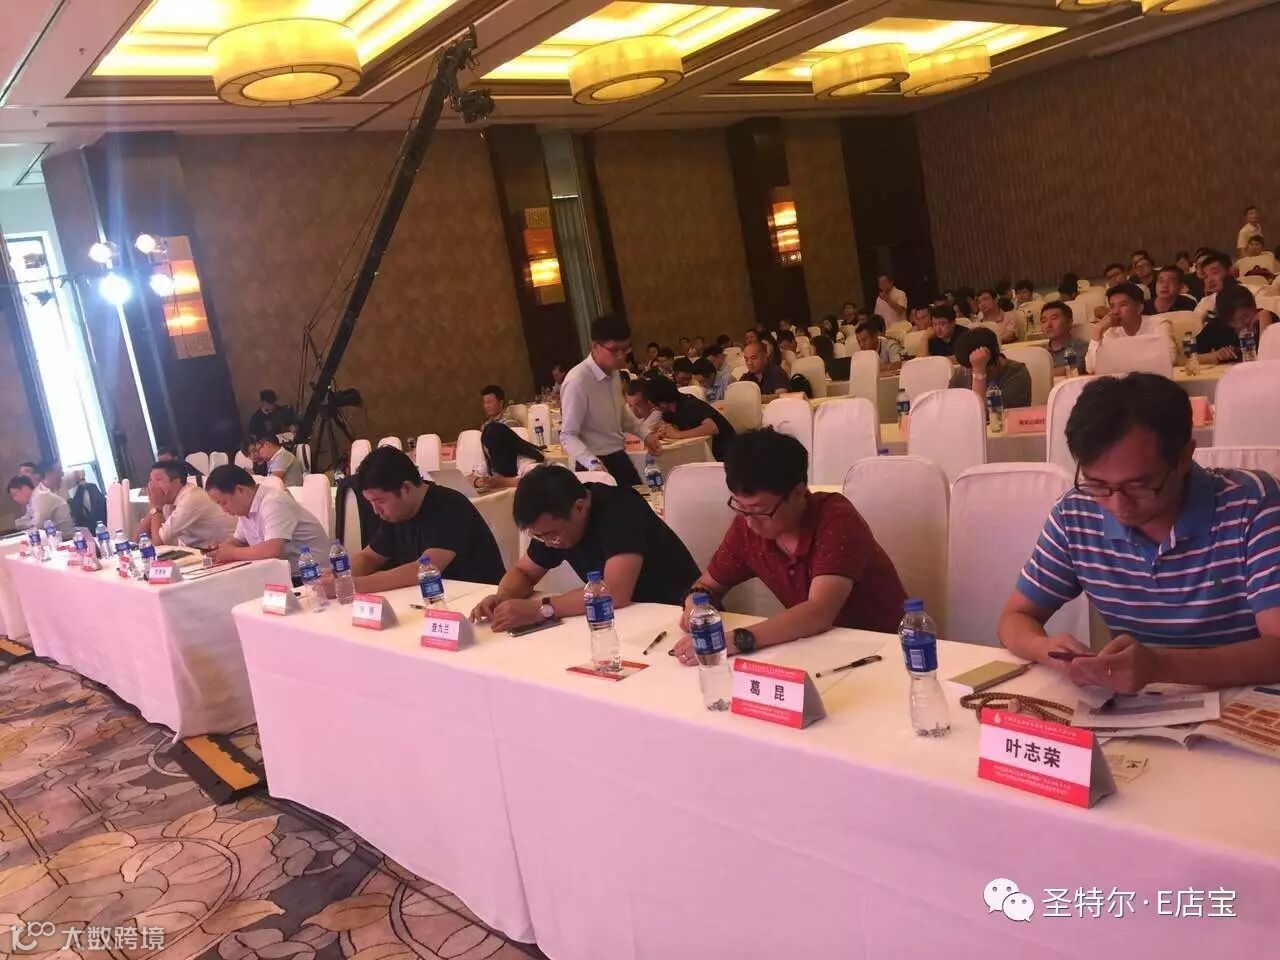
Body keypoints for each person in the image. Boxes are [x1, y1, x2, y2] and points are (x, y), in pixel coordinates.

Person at [998, 373, 1280, 692]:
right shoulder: (1076, 513)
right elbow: (1015, 618)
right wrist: (1046, 650)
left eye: (1139, 485)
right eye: (1097, 483)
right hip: (1141, 707)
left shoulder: (1254, 505)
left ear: (1184, 457)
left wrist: (1160, 666)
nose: (1118, 505)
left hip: (1248, 701)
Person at [669, 429, 906, 665]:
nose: (750, 522)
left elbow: (819, 612)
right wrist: (695, 602)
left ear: (799, 493)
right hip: (818, 649)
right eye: (740, 507)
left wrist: (734, 640)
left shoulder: (836, 520)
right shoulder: (747, 525)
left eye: (760, 511)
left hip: (887, 651)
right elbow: (709, 585)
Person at [468, 465, 700, 630]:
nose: (548, 542)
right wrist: (502, 598)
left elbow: (614, 593)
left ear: (579, 508)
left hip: (678, 616)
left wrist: (540, 609)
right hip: (622, 621)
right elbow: (524, 571)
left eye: (551, 534)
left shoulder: (621, 508)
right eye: (539, 536)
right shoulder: (554, 521)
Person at [332, 446, 505, 593]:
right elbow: (369, 557)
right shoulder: (396, 514)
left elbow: (422, 571)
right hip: (430, 600)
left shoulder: (450, 506)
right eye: (370, 503)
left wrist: (353, 585)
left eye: (380, 501)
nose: (376, 511)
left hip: (477, 599)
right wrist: (340, 577)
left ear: (406, 488)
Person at [559, 314, 661, 486]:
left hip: (618, 455)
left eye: (625, 349)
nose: (621, 356)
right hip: (593, 462)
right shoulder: (577, 381)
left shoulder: (614, 374)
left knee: (641, 498)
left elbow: (622, 414)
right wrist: (592, 463)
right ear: (595, 346)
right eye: (615, 350)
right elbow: (568, 435)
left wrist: (646, 434)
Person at [205, 465, 328, 574]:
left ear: (240, 490)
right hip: (281, 573)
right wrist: (220, 550)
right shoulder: (246, 508)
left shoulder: (274, 501)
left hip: (310, 575)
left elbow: (272, 550)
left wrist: (232, 553)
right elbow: (239, 540)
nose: (224, 509)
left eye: (224, 503)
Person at [136, 459, 234, 548]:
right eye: (151, 481)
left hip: (224, 549)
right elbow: (138, 538)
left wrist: (156, 507)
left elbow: (158, 543)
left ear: (177, 482)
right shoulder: (166, 500)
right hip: (196, 551)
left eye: (158, 480)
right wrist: (155, 508)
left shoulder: (191, 498)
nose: (153, 486)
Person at [1085, 282, 1175, 373]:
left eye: (1123, 305)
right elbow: (1091, 368)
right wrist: (1097, 330)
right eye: (1112, 306)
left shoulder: (1159, 325)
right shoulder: (1111, 332)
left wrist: (1122, 363)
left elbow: (1170, 358)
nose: (1116, 311)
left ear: (1139, 308)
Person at [643, 376, 736, 462]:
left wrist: (678, 434)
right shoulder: (668, 411)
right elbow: (666, 425)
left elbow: (712, 428)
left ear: (662, 402)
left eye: (654, 405)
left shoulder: (689, 404)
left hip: (726, 453)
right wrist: (661, 431)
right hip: (702, 450)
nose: (655, 409)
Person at [948, 327, 1032, 409]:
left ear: (996, 361)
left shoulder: (1017, 374)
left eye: (972, 369)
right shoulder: (961, 373)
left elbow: (990, 414)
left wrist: (979, 373)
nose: (969, 373)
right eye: (968, 369)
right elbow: (950, 410)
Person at [1194, 283, 1274, 364]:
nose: (1240, 324)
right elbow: (1190, 357)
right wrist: (1214, 356)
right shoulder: (1217, 326)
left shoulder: (1267, 318)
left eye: (1245, 316)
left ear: (1254, 307)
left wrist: (1264, 320)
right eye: (1233, 321)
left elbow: (1268, 358)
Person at [474, 421, 546, 492]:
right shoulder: (491, 462)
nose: (489, 455)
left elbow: (538, 480)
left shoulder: (525, 460)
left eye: (491, 451)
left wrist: (505, 482)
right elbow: (470, 477)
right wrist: (477, 481)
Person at [7, 475, 72, 536]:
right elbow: (25, 519)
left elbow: (38, 524)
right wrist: (15, 524)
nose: (14, 499)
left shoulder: (40, 497)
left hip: (65, 537)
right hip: (53, 536)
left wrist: (26, 524)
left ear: (24, 488)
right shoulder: (31, 501)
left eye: (15, 494)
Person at [1039, 300, 1088, 374]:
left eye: (1054, 318)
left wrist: (1040, 373)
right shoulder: (1040, 353)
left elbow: (1074, 370)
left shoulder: (1081, 347)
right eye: (1044, 321)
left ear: (1069, 322)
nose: (1048, 325)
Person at [1194, 250, 1234, 321]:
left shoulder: (1253, 292)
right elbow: (1195, 324)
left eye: (1215, 273)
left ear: (1230, 271)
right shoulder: (1205, 302)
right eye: (1206, 276)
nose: (1210, 280)